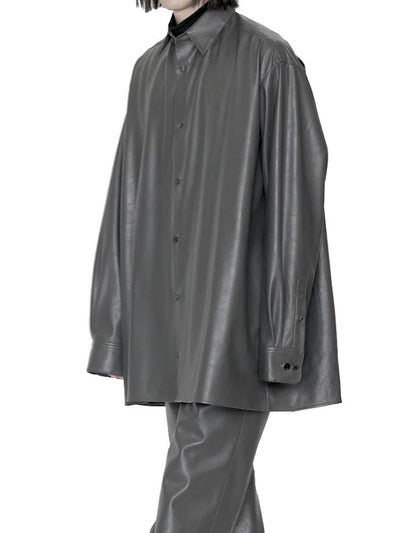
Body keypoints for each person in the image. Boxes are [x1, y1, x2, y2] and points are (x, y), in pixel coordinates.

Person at [86, 1, 342, 531]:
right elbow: (125, 199)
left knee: (190, 510)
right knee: (225, 508)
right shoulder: (147, 71)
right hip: (169, 330)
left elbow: (297, 199)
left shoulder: (268, 58)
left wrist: (284, 333)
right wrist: (113, 328)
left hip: (238, 338)